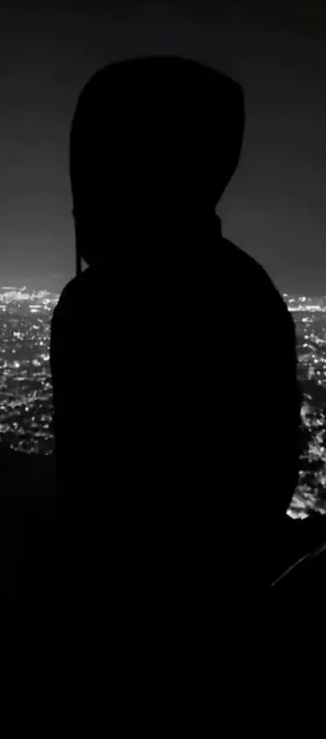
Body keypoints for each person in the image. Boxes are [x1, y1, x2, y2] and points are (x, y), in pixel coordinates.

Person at [50, 56, 302, 614]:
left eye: (97, 167)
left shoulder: (95, 307)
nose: (78, 198)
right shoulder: (249, 295)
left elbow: (89, 496)